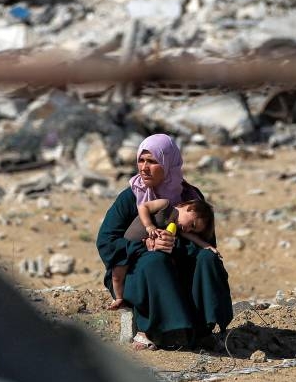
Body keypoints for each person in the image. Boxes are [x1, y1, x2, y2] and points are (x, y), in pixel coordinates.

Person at [96, 134, 232, 350]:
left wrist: (175, 245)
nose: (144, 168)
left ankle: (202, 328)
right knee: (155, 261)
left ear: (169, 163)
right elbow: (106, 241)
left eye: (152, 162)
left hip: (180, 269)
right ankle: (154, 330)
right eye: (141, 160)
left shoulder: (190, 197)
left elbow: (206, 241)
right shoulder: (131, 196)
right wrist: (145, 246)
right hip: (133, 271)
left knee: (207, 258)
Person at [107, 198, 220, 310]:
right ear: (190, 209)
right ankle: (118, 297)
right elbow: (143, 207)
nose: (188, 229)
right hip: (127, 247)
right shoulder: (165, 205)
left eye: (192, 229)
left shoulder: (177, 227)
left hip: (140, 251)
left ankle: (122, 299)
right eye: (192, 225)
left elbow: (191, 237)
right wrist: (149, 225)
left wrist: (206, 245)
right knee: (117, 275)